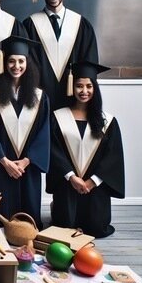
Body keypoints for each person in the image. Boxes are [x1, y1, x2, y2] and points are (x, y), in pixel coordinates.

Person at [47, 61, 124, 238]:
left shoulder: (107, 121)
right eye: (79, 86)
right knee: (64, 226)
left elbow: (112, 157)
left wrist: (92, 181)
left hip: (95, 187)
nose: (84, 91)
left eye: (89, 86)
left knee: (96, 228)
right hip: (68, 184)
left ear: (95, 88)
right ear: (71, 87)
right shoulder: (58, 117)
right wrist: (71, 177)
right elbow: (54, 150)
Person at [0, 37, 50, 228]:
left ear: (27, 63)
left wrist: (27, 160)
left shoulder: (40, 97)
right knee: (0, 220)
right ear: (4, 63)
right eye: (11, 61)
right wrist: (4, 161)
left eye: (21, 61)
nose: (16, 66)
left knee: (28, 221)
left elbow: (44, 133)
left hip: (27, 168)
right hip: (0, 166)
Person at [23, 0, 99, 110]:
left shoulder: (82, 25)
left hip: (73, 99)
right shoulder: (30, 25)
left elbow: (89, 61)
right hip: (40, 99)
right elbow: (27, 64)